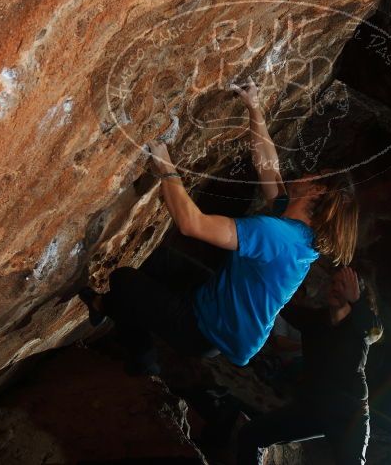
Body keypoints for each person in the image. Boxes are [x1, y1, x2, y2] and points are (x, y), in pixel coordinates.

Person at [79, 79, 359, 373]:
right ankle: (115, 310)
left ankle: (142, 358)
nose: (308, 172)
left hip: (205, 332)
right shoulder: (300, 232)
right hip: (216, 301)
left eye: (316, 175)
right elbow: (269, 168)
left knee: (123, 281)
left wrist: (165, 166)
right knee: (156, 259)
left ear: (317, 192)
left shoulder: (277, 235)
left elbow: (191, 224)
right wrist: (253, 105)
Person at [236, 266, 382, 465]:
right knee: (249, 435)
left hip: (349, 414)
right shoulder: (315, 320)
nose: (336, 287)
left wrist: (357, 301)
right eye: (334, 282)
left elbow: (376, 332)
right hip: (313, 408)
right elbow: (279, 301)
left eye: (344, 284)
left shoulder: (361, 326)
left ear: (355, 291)